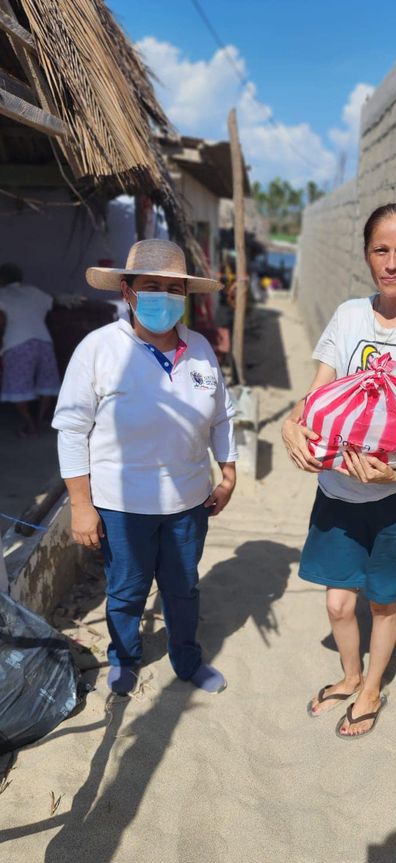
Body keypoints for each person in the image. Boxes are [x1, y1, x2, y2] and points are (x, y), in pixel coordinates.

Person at [282, 202, 396, 738]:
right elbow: (315, 396)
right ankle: (350, 674)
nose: (390, 263)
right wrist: (291, 426)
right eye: (380, 250)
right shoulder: (349, 317)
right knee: (339, 602)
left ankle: (370, 688)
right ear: (367, 254)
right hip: (339, 490)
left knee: (384, 602)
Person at [52, 239, 238, 695]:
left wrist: (228, 473)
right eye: (151, 286)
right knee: (126, 590)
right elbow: (71, 430)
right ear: (128, 291)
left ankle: (187, 659)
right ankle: (124, 658)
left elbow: (222, 416)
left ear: (185, 296)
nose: (163, 297)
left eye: (174, 288)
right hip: (121, 506)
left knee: (183, 587)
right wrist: (81, 506)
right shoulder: (98, 349)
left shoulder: (200, 348)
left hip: (189, 502)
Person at [0, 263, 60, 436]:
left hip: (17, 343)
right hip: (44, 341)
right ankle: (39, 421)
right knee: (47, 384)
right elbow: (53, 303)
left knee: (18, 387)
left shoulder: (2, 294)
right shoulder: (34, 291)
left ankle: (30, 425)